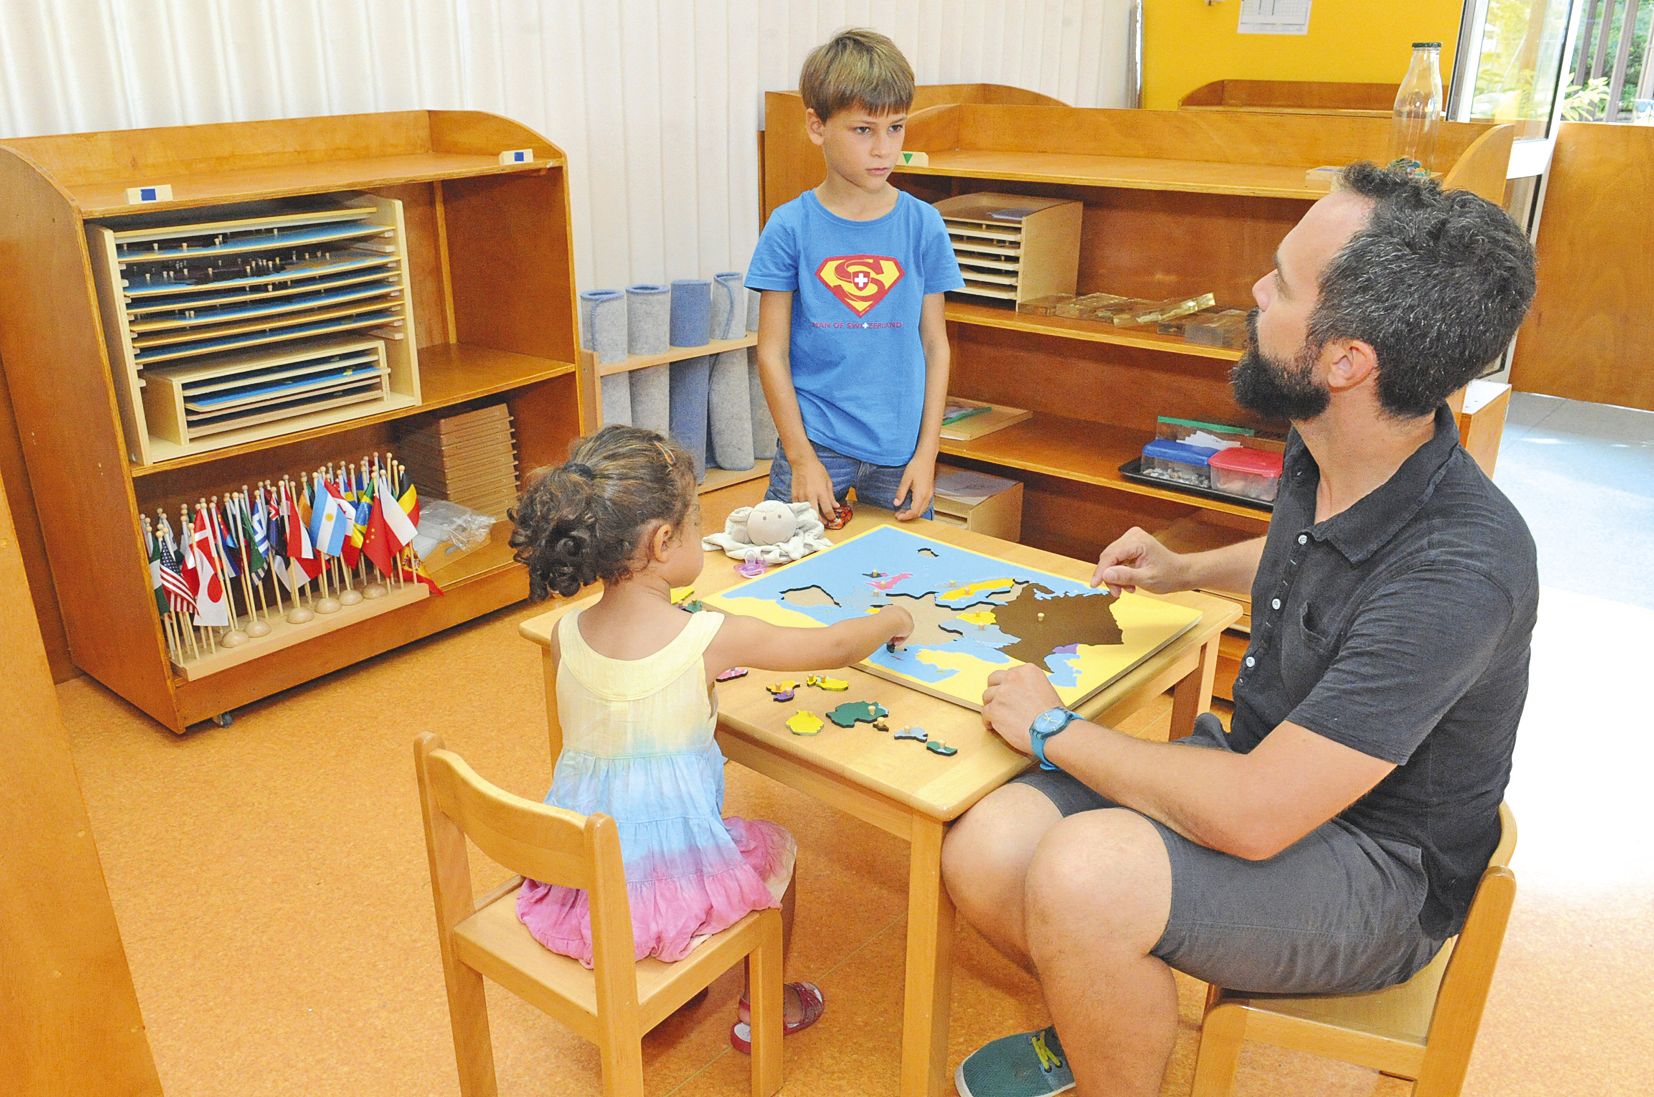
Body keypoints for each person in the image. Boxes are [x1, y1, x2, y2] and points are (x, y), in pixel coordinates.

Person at [942, 163, 1539, 1097]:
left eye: (1282, 282)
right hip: (1266, 768)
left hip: (1379, 870)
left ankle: (1110, 1041)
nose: (1253, 294)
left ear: (1348, 362)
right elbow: (1307, 552)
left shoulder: (1462, 571)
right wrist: (1187, 571)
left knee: (1087, 875)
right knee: (986, 847)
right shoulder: (1338, 437)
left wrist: (1058, 730)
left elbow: (1255, 814)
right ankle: (1102, 1010)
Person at [508, 424, 913, 1052]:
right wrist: (892, 616)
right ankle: (766, 1004)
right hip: (666, 879)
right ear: (662, 541)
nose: (703, 533)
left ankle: (669, 972)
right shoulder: (707, 635)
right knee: (778, 847)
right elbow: (831, 647)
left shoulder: (565, 635)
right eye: (697, 523)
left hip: (582, 875)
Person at [746, 28, 964, 523]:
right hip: (816, 444)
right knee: (784, 571)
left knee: (900, 579)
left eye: (896, 128)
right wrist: (801, 458)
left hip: (901, 451)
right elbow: (771, 352)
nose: (883, 149)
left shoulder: (923, 224)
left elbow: (936, 346)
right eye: (864, 130)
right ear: (817, 125)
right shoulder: (790, 226)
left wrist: (927, 454)